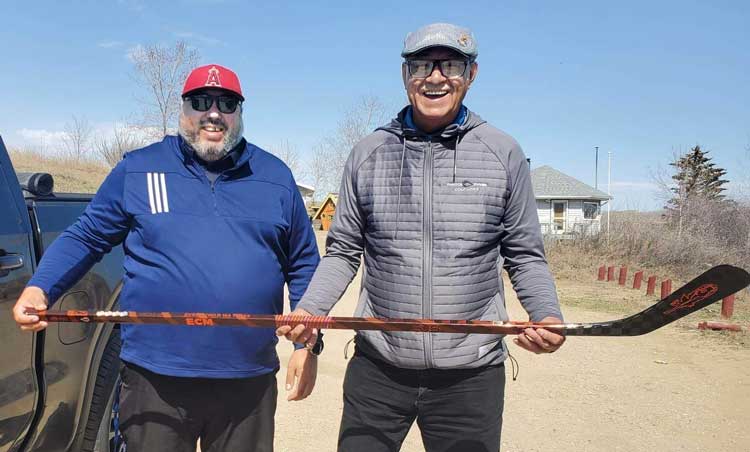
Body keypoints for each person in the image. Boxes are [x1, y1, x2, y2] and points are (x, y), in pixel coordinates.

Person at [276, 23, 565, 452]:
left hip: (471, 375)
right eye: (420, 66)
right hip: (379, 368)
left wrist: (547, 314)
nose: (434, 77)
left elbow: (524, 253)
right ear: (404, 74)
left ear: (471, 73)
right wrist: (311, 310)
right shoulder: (369, 153)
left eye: (449, 64)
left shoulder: (502, 152)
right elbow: (342, 252)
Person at [13, 63, 321, 452]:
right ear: (184, 109)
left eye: (227, 103)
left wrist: (305, 346)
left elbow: (304, 263)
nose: (213, 112)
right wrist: (41, 287)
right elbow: (87, 236)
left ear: (240, 113)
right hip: (154, 379)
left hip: (247, 381)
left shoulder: (275, 177)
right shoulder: (139, 168)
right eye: (201, 101)